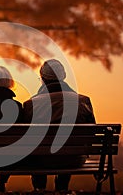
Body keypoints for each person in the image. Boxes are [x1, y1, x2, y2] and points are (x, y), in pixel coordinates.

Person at [23, 59, 96, 192]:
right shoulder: (83, 101)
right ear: (63, 76)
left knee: (35, 150)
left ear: (43, 79)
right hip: (73, 159)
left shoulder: (30, 104)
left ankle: (39, 188)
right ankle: (62, 187)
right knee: (67, 149)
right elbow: (91, 134)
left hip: (40, 161)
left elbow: (26, 138)